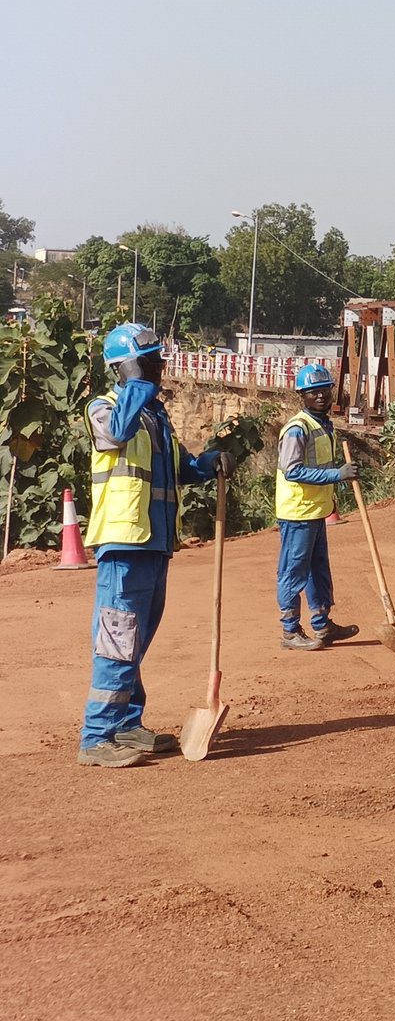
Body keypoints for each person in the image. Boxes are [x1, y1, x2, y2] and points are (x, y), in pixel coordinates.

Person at [76, 323, 231, 768]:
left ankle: (126, 723)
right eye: (151, 360)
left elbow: (181, 467)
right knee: (117, 641)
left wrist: (209, 463)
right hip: (124, 544)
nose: (161, 367)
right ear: (126, 366)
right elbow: (116, 434)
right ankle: (97, 737)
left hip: (155, 543)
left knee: (136, 640)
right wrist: (135, 382)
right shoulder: (104, 408)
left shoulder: (155, 416)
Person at [274, 364, 360, 651]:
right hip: (297, 513)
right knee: (293, 572)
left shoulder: (323, 425)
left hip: (316, 511)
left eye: (324, 390)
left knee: (317, 569)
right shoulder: (297, 429)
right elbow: (292, 471)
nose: (320, 396)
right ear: (303, 396)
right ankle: (290, 631)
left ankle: (323, 624)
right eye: (313, 392)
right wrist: (338, 474)